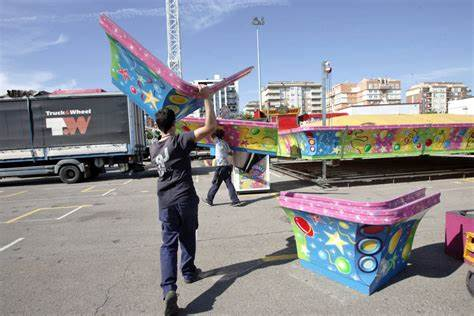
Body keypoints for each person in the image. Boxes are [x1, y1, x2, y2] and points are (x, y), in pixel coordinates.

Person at [150, 85, 216, 316]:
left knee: (168, 245)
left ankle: (169, 290)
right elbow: (210, 127)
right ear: (174, 124)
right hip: (184, 198)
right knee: (188, 235)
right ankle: (188, 272)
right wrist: (207, 99)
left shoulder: (153, 148)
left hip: (165, 202)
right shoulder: (179, 141)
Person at [203, 129, 244, 207]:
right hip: (227, 166)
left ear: (216, 137)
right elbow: (230, 152)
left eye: (213, 137)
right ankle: (235, 201)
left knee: (216, 183)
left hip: (221, 167)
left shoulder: (218, 143)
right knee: (229, 184)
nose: (212, 139)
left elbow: (212, 136)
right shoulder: (225, 143)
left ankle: (209, 200)